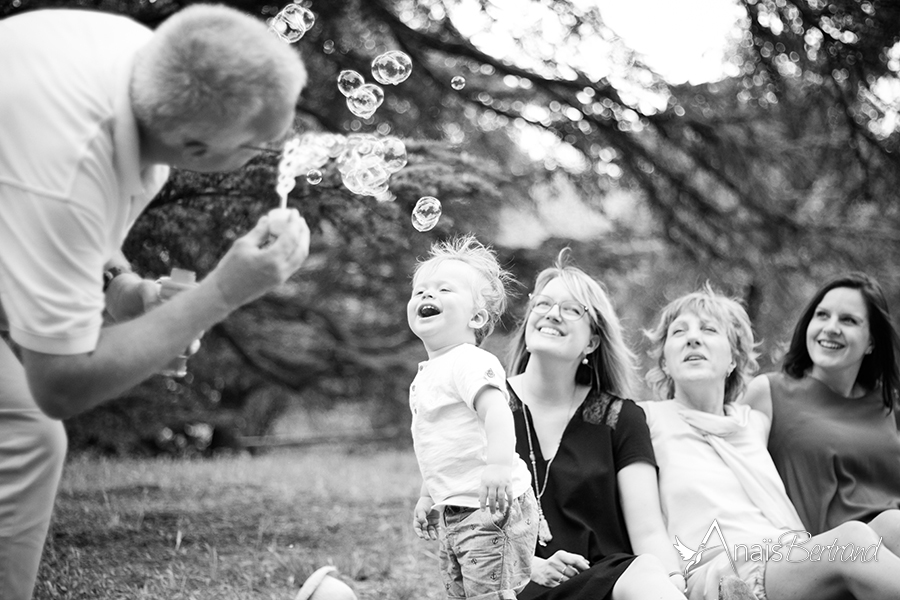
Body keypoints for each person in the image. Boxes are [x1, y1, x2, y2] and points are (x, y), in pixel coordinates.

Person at [0, 5, 309, 599]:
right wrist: (222, 291)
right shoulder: (64, 163)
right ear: (194, 144)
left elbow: (74, 232)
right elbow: (60, 384)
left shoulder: (150, 64)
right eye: (255, 144)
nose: (268, 155)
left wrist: (123, 285)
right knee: (23, 432)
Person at [640, 286, 900, 600]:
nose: (693, 338)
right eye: (678, 332)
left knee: (892, 524)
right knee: (854, 542)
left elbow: (814, 418)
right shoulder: (643, 420)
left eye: (709, 330)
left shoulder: (752, 423)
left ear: (733, 359)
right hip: (724, 572)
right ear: (665, 361)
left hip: (784, 557)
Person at [506, 250, 686, 600]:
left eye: (572, 309)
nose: (552, 314)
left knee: (645, 570)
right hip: (512, 586)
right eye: (542, 304)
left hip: (605, 586)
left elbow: (647, 530)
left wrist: (673, 581)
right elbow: (461, 522)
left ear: (591, 342)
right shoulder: (487, 405)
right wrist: (528, 564)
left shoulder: (620, 419)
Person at [407, 235, 539, 599]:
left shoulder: (469, 361)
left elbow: (497, 411)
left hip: (491, 508)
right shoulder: (426, 375)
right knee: (463, 592)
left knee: (489, 594)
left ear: (476, 316)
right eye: (419, 292)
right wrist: (428, 495)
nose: (426, 296)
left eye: (443, 289)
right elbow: (437, 446)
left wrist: (497, 465)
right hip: (456, 510)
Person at [741, 273, 900, 548]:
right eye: (822, 315)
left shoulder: (889, 405)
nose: (831, 327)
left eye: (848, 320)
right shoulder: (768, 393)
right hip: (825, 558)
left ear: (872, 341)